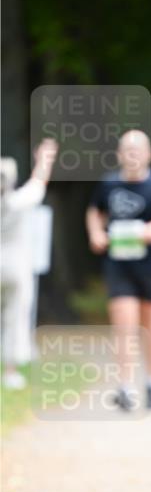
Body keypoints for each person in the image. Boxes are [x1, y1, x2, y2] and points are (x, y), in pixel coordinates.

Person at [86, 130, 151, 411]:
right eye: (127, 149)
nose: (133, 154)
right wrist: (96, 234)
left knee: (149, 326)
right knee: (124, 326)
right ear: (119, 154)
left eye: (138, 149)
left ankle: (150, 381)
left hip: (150, 267)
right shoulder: (108, 184)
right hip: (119, 266)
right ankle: (125, 387)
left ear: (149, 154)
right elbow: (94, 211)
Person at [0, 139, 58, 389]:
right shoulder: (19, 200)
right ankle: (10, 370)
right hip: (15, 264)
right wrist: (45, 159)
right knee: (15, 315)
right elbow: (38, 183)